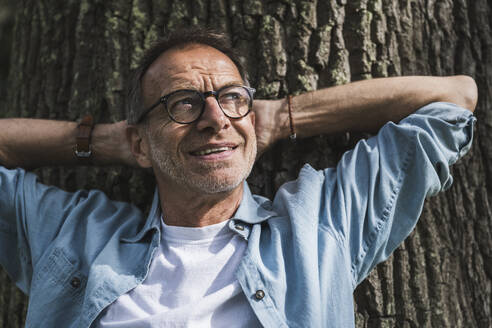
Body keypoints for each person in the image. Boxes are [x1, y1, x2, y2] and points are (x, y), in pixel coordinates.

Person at [0, 28, 477, 328]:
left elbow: (454, 98)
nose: (216, 118)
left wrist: (283, 117)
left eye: (232, 98)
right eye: (183, 103)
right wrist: (108, 141)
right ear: (141, 143)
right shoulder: (73, 234)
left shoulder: (318, 226)